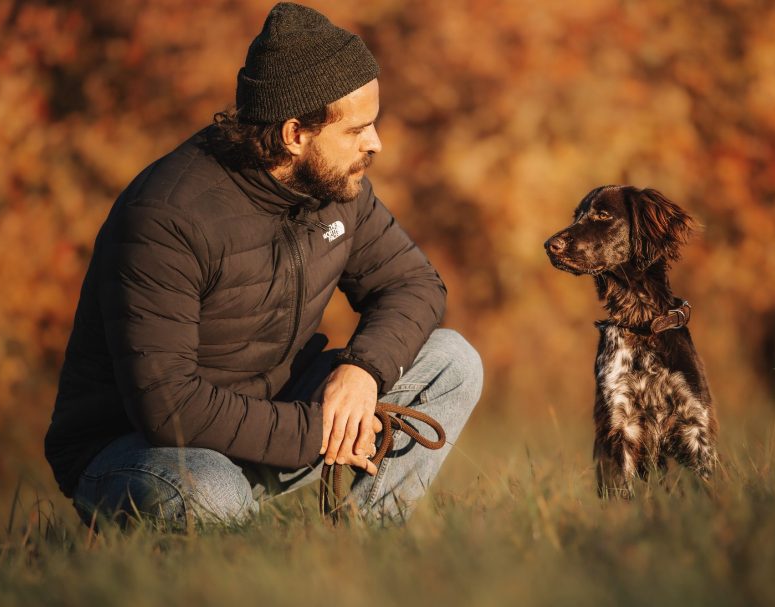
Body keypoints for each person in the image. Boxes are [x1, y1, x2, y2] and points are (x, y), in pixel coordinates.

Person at [44, 2, 482, 529]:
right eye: (357, 130)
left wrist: (363, 371)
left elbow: (413, 283)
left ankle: (367, 546)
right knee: (212, 492)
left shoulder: (336, 186)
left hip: (279, 411)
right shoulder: (166, 217)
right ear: (295, 134)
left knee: (453, 361)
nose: (376, 144)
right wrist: (319, 430)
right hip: (141, 448)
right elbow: (168, 407)